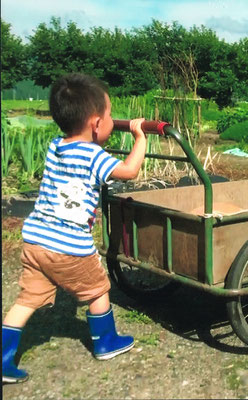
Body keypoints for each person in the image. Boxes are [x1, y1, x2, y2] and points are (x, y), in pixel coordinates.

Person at [2, 73, 147, 384]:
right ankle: (106, 342)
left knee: (28, 299)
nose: (112, 120)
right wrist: (139, 137)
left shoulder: (56, 146)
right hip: (68, 246)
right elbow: (130, 170)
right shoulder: (94, 155)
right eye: (109, 115)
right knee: (98, 289)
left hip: (36, 240)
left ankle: (2, 357)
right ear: (96, 124)